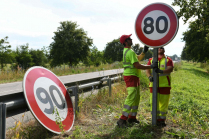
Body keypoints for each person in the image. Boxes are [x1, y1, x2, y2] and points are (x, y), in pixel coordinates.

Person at [117, 34, 159, 128]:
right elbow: (138, 65)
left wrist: (143, 52)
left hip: (134, 76)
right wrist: (151, 66)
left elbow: (138, 59)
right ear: (126, 42)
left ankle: (132, 118)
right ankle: (122, 120)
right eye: (129, 39)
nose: (131, 39)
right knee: (131, 96)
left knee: (136, 97)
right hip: (131, 76)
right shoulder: (129, 52)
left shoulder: (129, 51)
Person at [146, 47, 174, 127]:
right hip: (153, 85)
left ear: (164, 50)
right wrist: (149, 77)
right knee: (153, 102)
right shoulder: (151, 60)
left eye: (161, 48)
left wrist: (161, 71)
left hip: (165, 84)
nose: (159, 49)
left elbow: (170, 69)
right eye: (158, 48)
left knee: (164, 103)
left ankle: (161, 120)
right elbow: (147, 70)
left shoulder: (168, 59)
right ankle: (155, 118)